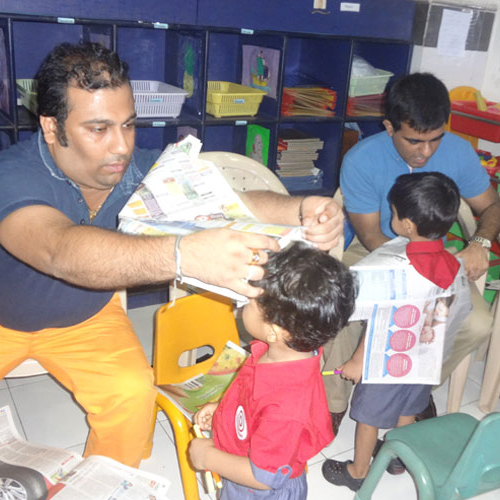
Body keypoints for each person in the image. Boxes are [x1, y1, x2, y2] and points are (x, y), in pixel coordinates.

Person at [0, 42, 344, 467]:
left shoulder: (138, 169)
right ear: (52, 128)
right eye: (99, 129)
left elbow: (230, 199)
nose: (121, 147)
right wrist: (183, 255)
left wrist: (301, 209)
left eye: (128, 125)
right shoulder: (12, 173)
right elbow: (59, 251)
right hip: (4, 318)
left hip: (86, 318)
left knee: (133, 396)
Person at [322, 72, 500, 432]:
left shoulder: (458, 151)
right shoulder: (361, 159)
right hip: (376, 251)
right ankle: (334, 401)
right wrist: (414, 287)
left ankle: (415, 385)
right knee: (342, 304)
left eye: (436, 139)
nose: (427, 152)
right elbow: (371, 236)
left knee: (477, 322)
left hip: (435, 253)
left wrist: (480, 242)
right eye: (415, 141)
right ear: (389, 127)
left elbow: (492, 206)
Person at [323, 171, 467, 491]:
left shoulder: (390, 267)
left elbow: (378, 319)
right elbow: (455, 314)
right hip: (423, 362)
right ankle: (399, 457)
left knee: (368, 418)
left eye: (394, 212)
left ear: (408, 225)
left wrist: (357, 361)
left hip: (387, 363)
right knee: (409, 410)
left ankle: (358, 472)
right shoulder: (454, 265)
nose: (392, 217)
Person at [189, 241, 357, 500]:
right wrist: (224, 410)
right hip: (243, 464)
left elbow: (263, 479)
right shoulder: (283, 353)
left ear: (274, 331)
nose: (243, 305)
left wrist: (207, 456)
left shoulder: (286, 408)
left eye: (249, 302)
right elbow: (252, 398)